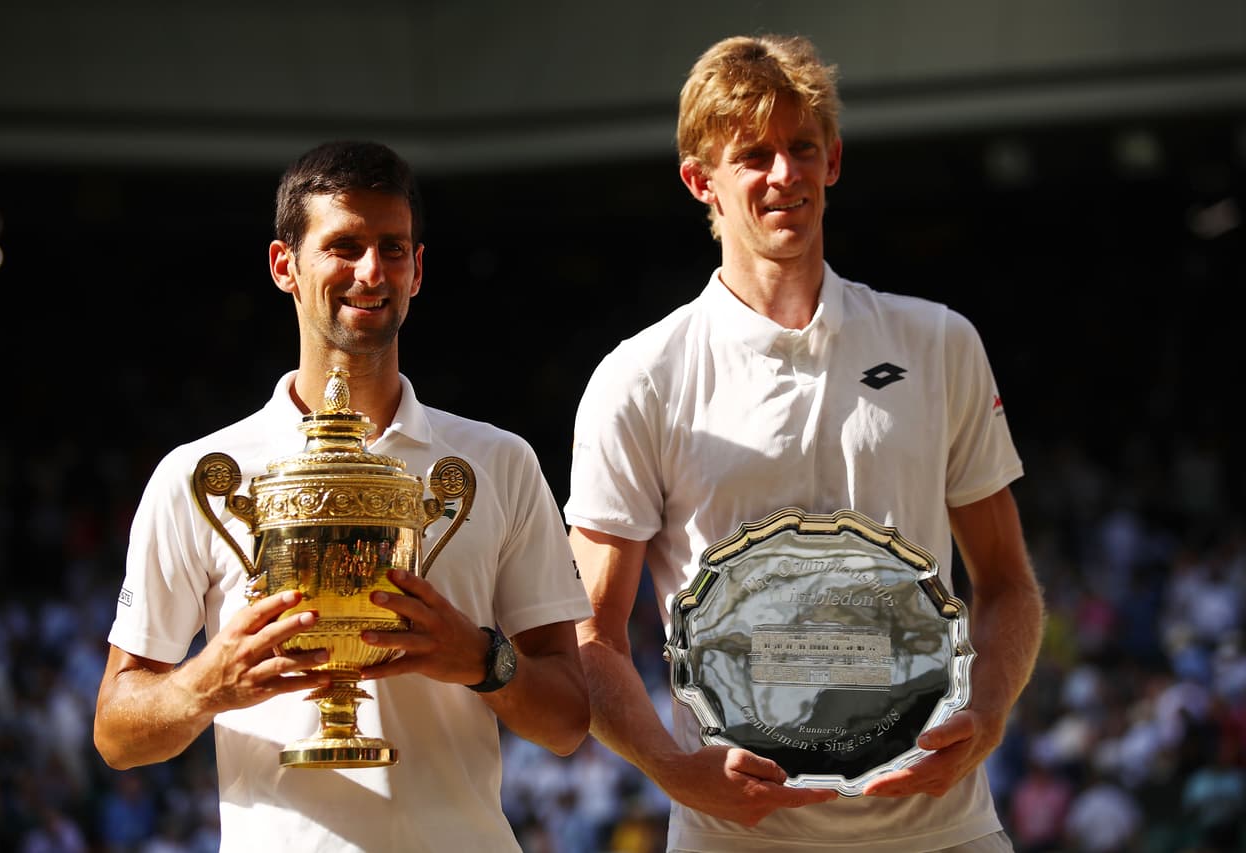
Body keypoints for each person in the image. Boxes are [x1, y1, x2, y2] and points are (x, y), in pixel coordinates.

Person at [564, 33, 1045, 852]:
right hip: (736, 836)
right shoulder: (640, 376)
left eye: (802, 148)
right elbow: (588, 634)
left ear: (834, 161)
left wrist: (991, 710)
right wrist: (674, 769)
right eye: (753, 156)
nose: (784, 173)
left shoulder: (939, 343)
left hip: (942, 829)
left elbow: (1006, 583)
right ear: (700, 181)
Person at [94, 140, 592, 851]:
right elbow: (116, 732)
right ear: (284, 266)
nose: (372, 272)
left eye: (393, 248)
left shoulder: (499, 463)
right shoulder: (198, 474)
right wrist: (208, 682)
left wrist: (481, 659)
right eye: (344, 246)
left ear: (418, 269)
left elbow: (569, 718)